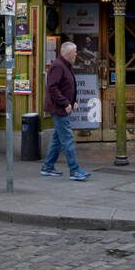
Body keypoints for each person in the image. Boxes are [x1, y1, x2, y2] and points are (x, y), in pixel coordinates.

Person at [41, 41, 89, 180]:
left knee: (57, 139)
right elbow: (52, 87)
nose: (76, 54)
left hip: (63, 107)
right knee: (67, 139)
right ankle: (74, 171)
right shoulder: (58, 66)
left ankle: (48, 167)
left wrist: (72, 101)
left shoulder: (65, 65)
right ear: (68, 53)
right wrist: (65, 103)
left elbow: (67, 86)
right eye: (74, 52)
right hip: (59, 109)